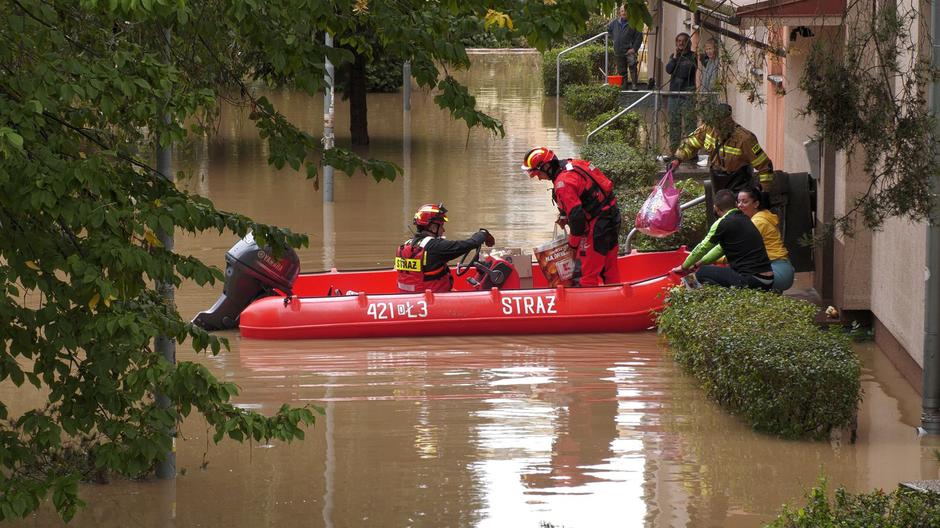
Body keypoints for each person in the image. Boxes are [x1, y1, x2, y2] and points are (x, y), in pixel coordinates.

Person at [522, 147, 622, 286]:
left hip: (598, 226)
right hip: (612, 216)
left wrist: (573, 245)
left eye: (537, 173)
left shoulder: (563, 183)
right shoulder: (574, 164)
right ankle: (616, 299)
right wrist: (564, 216)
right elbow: (585, 195)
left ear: (546, 167)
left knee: (584, 274)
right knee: (609, 268)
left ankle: (587, 304)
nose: (538, 178)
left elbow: (577, 218)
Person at [671, 189, 774, 290]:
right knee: (709, 270)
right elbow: (720, 249)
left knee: (702, 272)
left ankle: (688, 297)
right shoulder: (744, 218)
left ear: (716, 208)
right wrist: (698, 263)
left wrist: (684, 267)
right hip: (768, 279)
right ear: (735, 204)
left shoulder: (723, 223)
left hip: (752, 279)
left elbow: (702, 248)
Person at [669, 103, 775, 194]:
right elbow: (690, 143)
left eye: (721, 121)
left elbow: (765, 166)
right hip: (717, 181)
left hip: (739, 184)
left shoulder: (745, 139)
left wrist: (764, 192)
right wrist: (678, 159)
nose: (717, 126)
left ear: (729, 119)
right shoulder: (708, 129)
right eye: (716, 122)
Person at [395, 203, 494, 293]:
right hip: (433, 300)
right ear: (433, 227)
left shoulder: (405, 246)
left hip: (410, 298)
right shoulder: (434, 247)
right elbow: (468, 244)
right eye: (441, 226)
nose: (443, 230)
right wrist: (483, 234)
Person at [737, 188, 795, 291]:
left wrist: (706, 259)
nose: (740, 205)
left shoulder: (758, 222)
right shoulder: (763, 216)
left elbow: (738, 250)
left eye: (745, 202)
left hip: (777, 270)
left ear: (756, 204)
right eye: (738, 201)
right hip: (780, 267)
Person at [666, 32, 697, 151]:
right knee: (674, 123)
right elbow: (668, 70)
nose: (681, 43)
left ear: (688, 43)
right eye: (678, 41)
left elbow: (685, 72)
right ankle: (674, 150)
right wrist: (674, 58)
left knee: (690, 124)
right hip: (674, 95)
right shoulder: (673, 56)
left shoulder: (693, 56)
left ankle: (691, 151)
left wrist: (678, 62)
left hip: (687, 95)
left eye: (683, 41)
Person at [607, 5, 644, 90]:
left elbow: (639, 37)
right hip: (619, 51)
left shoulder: (633, 23)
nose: (624, 12)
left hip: (629, 50)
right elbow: (608, 30)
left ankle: (634, 85)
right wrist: (613, 39)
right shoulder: (614, 23)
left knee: (632, 67)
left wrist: (634, 49)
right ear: (620, 12)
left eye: (626, 11)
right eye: (622, 11)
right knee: (621, 70)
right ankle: (624, 87)